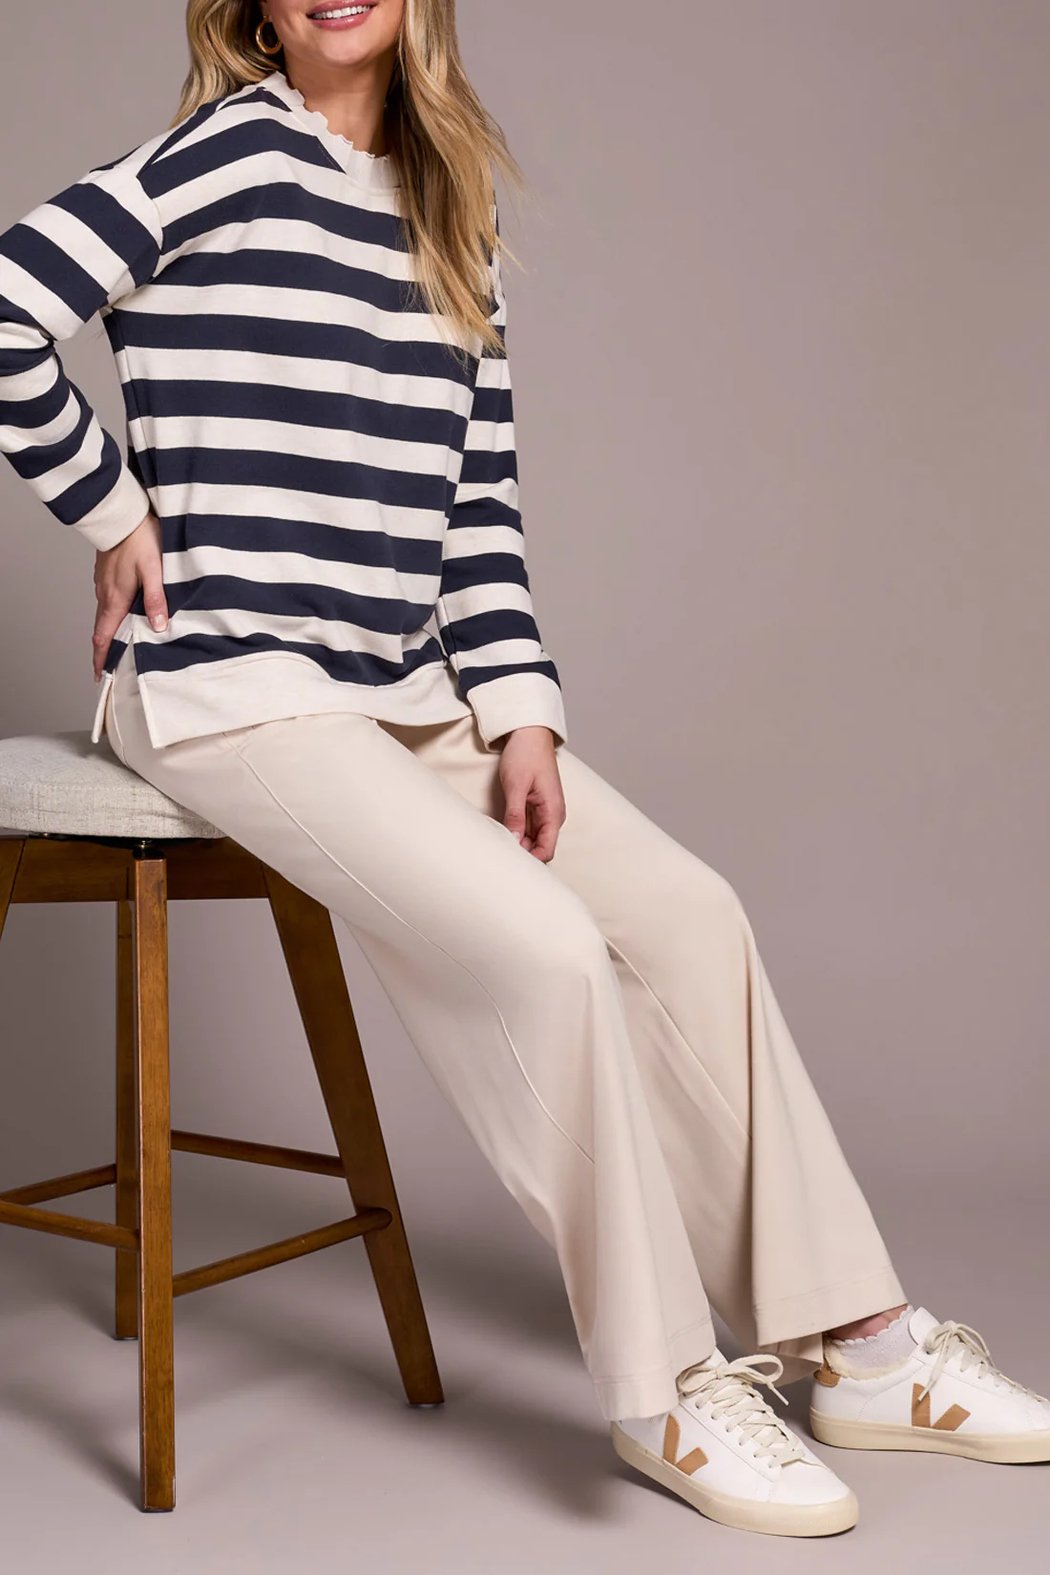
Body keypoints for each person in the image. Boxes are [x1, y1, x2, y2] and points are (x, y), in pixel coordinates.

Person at [1, 0, 1047, 1539]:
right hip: (230, 688)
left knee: (687, 915)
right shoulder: (210, 161)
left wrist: (518, 712)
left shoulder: (454, 216)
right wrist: (112, 513)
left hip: (404, 690)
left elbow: (475, 509)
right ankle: (662, 1385)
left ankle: (867, 1349)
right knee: (546, 951)